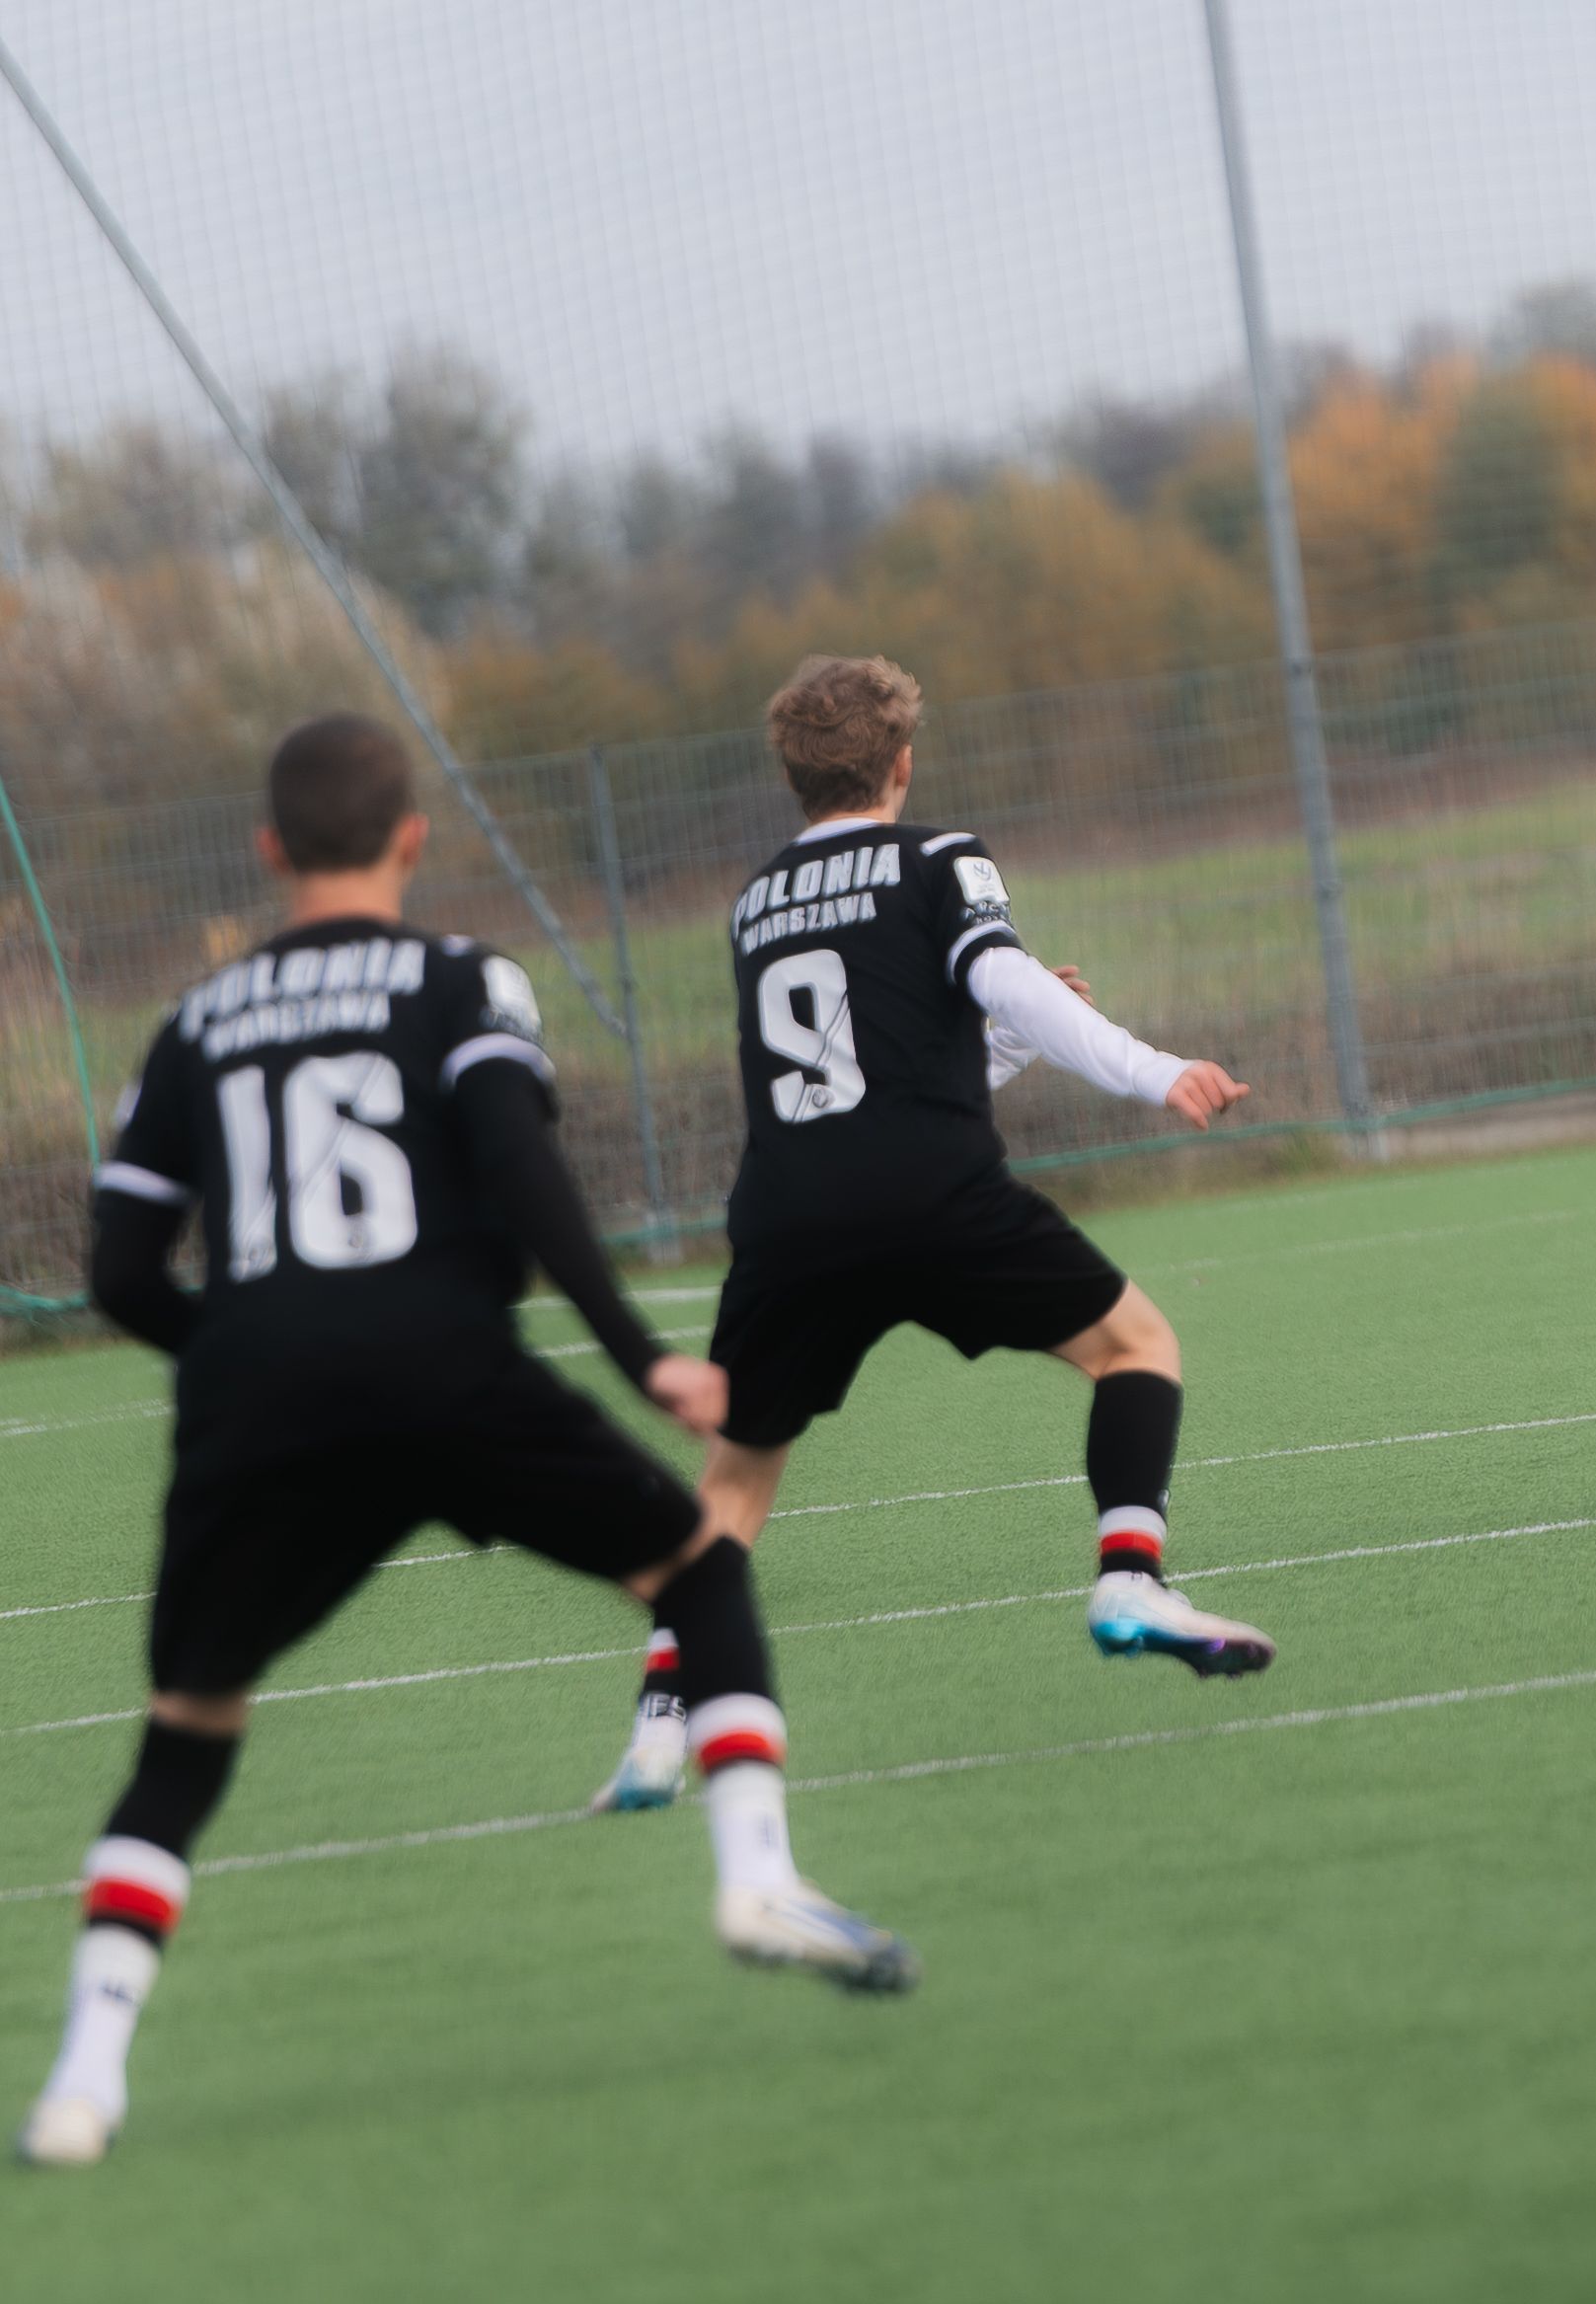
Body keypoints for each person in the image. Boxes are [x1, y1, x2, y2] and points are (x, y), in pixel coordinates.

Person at [22, 717, 912, 2170]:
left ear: (269, 849)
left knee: (184, 1735)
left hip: (260, 1405)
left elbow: (119, 1272)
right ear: (412, 838)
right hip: (447, 1368)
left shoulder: (190, 1023)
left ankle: (82, 2081)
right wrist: (641, 1356)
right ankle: (758, 1875)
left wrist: (248, 1360)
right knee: (698, 1574)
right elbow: (520, 1168)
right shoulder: (461, 979)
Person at [587, 655, 1272, 1814]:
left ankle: (660, 1721)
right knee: (1136, 1346)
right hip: (931, 1194)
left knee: (734, 1487)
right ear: (901, 764)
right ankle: (1129, 1578)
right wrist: (1150, 1067)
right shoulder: (939, 856)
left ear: (792, 778)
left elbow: (866, 1078)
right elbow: (1003, 981)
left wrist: (1004, 1039)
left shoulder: (755, 902)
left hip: (789, 1215)